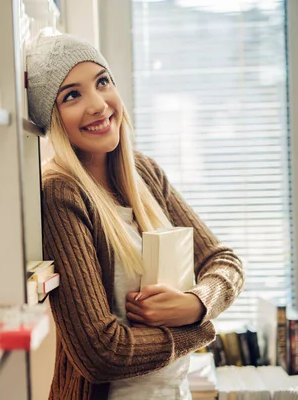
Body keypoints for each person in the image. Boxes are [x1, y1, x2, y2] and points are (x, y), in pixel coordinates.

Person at [26, 29, 245, 400]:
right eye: (72, 95)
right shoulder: (62, 195)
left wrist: (196, 304)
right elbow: (101, 353)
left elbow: (224, 261)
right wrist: (199, 330)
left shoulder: (144, 173)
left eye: (102, 81)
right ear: (52, 118)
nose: (97, 104)